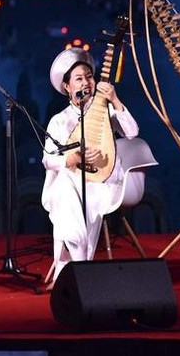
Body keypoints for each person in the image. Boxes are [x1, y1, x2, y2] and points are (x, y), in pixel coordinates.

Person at [41, 47, 139, 287]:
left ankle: (67, 273)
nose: (86, 82)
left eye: (88, 76)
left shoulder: (105, 110)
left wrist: (115, 100)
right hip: (71, 184)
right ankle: (80, 268)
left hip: (103, 182)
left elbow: (132, 132)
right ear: (67, 86)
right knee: (66, 185)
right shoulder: (59, 120)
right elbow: (48, 160)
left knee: (71, 194)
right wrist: (72, 159)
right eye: (79, 79)